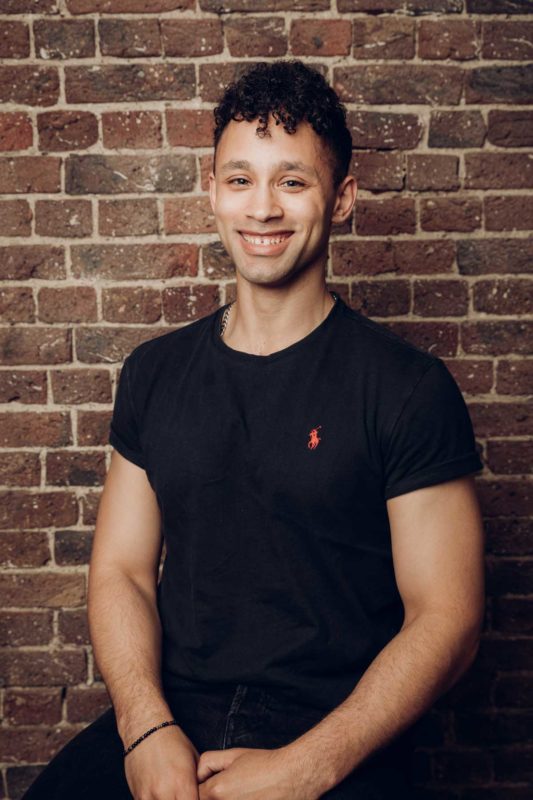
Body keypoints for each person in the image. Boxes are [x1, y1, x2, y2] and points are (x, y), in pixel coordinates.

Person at [22, 59, 485, 800]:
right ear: (211, 190)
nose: (261, 208)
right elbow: (122, 573)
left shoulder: (406, 387)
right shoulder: (153, 373)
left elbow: (447, 618)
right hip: (175, 719)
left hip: (338, 729)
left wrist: (310, 766)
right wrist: (145, 727)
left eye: (291, 182)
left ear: (341, 199)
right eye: (239, 179)